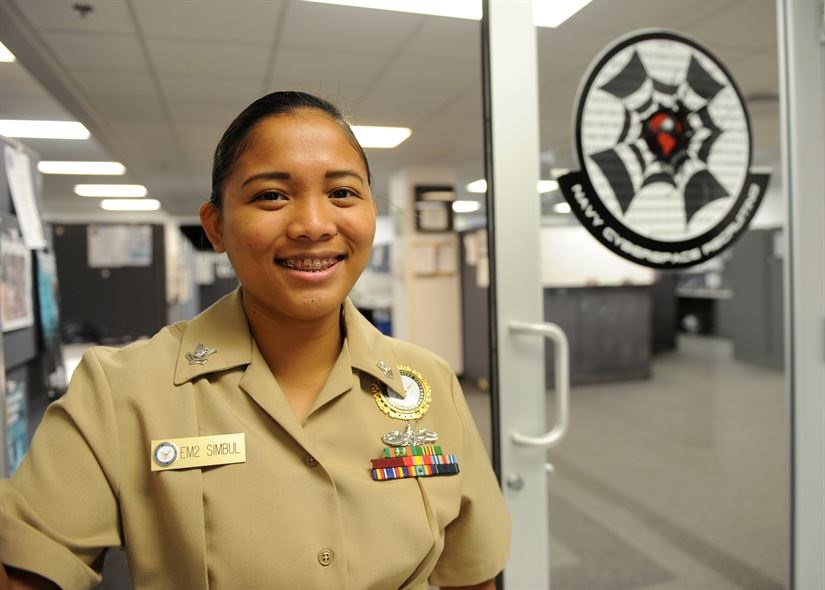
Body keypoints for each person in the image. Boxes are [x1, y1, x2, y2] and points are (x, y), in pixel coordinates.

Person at [0, 91, 511, 590]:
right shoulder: (121, 392)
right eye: (271, 195)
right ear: (216, 226)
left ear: (371, 213)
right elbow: (31, 560)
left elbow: (470, 574)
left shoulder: (427, 383)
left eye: (342, 193)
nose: (313, 225)